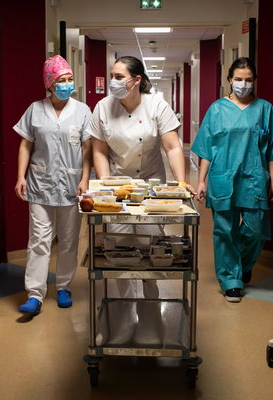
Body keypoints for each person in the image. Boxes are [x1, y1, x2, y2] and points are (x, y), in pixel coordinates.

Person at [87, 55, 194, 298]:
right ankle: (124, 299)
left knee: (151, 239)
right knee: (117, 240)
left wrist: (180, 184)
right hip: (117, 183)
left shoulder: (157, 105)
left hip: (150, 183)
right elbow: (99, 152)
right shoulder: (103, 107)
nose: (113, 81)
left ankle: (150, 287)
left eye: (119, 77)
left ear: (136, 80)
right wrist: (106, 189)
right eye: (112, 76)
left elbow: (172, 147)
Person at [192, 57, 273, 303]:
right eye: (238, 79)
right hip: (222, 176)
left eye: (248, 80)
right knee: (225, 230)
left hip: (255, 176)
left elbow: (271, 150)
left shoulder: (265, 109)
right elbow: (206, 149)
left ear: (254, 81)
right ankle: (231, 280)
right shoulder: (217, 109)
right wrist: (201, 181)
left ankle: (243, 264)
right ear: (229, 80)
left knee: (256, 229)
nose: (243, 84)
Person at [13, 55, 92, 314]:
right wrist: (20, 176)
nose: (68, 84)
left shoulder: (82, 110)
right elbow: (26, 143)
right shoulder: (35, 109)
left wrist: (85, 178)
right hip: (40, 183)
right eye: (62, 80)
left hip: (72, 183)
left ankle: (63, 286)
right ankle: (34, 294)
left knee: (69, 240)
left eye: (70, 80)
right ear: (49, 84)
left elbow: (87, 147)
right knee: (39, 239)